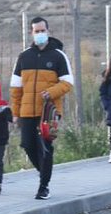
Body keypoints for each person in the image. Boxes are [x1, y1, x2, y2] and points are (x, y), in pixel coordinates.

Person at [10, 17, 73, 200]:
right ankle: (44, 172)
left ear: (48, 30)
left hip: (49, 111)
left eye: (42, 30)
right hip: (27, 112)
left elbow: (68, 83)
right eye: (36, 31)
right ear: (31, 33)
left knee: (45, 148)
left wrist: (51, 92)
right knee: (27, 145)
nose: (39, 34)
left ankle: (43, 186)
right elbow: (15, 88)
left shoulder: (58, 56)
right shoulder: (24, 56)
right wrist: (15, 112)